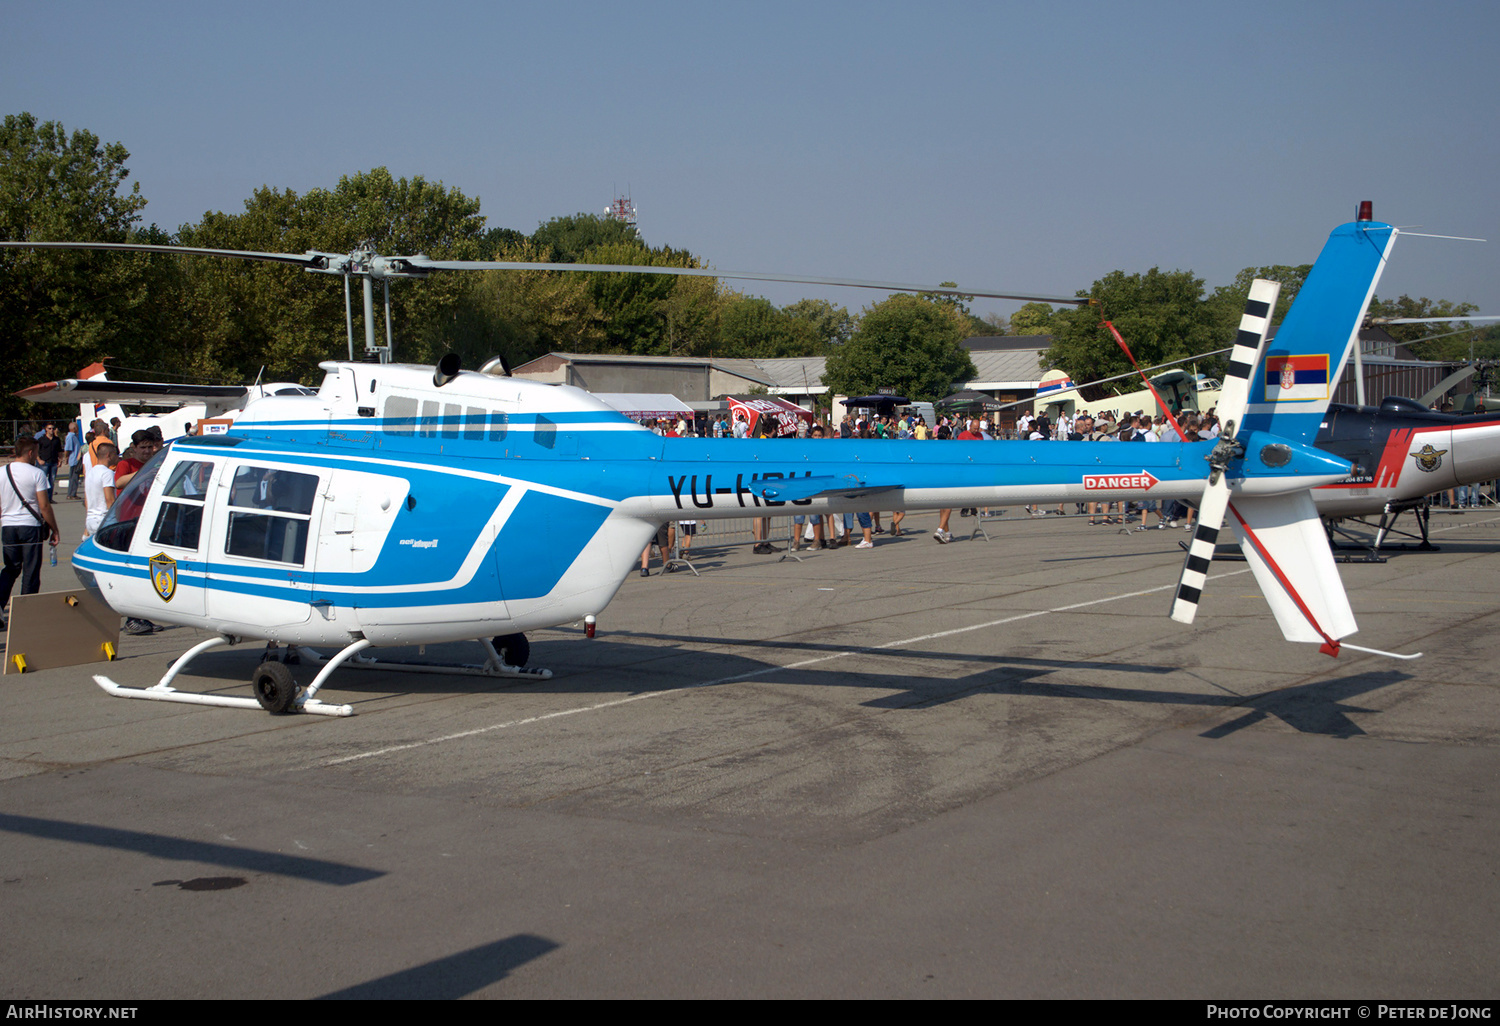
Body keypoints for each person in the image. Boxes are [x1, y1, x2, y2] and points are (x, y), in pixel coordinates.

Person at [1, 437, 62, 630]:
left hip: (8, 526)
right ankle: (26, 614)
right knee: (31, 570)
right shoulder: (36, 474)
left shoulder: (2, 472)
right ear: (30, 453)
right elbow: (44, 505)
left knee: (10, 568)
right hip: (30, 527)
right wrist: (54, 529)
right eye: (35, 453)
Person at [84, 442, 119, 536]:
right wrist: (116, 520)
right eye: (115, 454)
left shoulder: (90, 472)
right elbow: (110, 499)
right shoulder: (107, 473)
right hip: (103, 519)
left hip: (91, 519)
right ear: (109, 455)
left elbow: (87, 498)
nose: (117, 457)